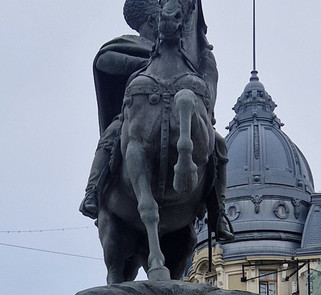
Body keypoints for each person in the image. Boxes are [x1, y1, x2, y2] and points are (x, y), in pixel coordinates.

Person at [80, 0, 233, 241]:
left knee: (219, 145)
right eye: (156, 21)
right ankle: (93, 191)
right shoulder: (132, 44)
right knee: (112, 134)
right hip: (136, 117)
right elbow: (103, 60)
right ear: (152, 21)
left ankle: (218, 212)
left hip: (190, 117)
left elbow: (209, 98)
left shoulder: (199, 58)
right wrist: (150, 66)